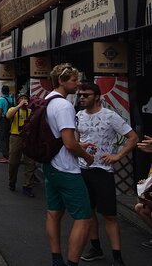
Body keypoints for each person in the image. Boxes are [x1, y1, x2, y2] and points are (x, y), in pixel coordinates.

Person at [76, 82, 138, 265]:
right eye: (80, 95)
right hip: (83, 169)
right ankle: (96, 248)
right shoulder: (79, 115)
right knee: (89, 212)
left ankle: (117, 256)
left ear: (96, 96)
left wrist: (118, 156)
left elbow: (133, 137)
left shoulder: (110, 116)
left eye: (85, 95)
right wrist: (79, 147)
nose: (81, 98)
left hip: (103, 171)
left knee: (110, 215)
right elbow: (77, 141)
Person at [43, 63, 95, 266]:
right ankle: (72, 263)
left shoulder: (47, 100)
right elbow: (69, 143)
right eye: (74, 80)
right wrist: (87, 156)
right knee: (84, 218)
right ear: (61, 81)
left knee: (54, 213)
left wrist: (76, 144)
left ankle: (57, 259)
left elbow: (58, 137)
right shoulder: (64, 105)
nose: (78, 83)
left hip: (50, 165)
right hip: (66, 169)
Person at [6, 93, 36, 196]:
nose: (24, 100)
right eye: (21, 99)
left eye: (25, 99)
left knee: (30, 162)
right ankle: (12, 181)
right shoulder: (13, 109)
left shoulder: (31, 111)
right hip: (16, 137)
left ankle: (28, 186)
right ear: (18, 101)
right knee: (13, 162)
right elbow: (8, 116)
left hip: (28, 138)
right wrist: (18, 106)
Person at [0, 85, 14, 163]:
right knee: (7, 137)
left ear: (2, 91)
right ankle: (9, 155)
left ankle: (6, 156)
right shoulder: (11, 98)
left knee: (0, 138)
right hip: (10, 120)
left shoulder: (1, 99)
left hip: (3, 120)